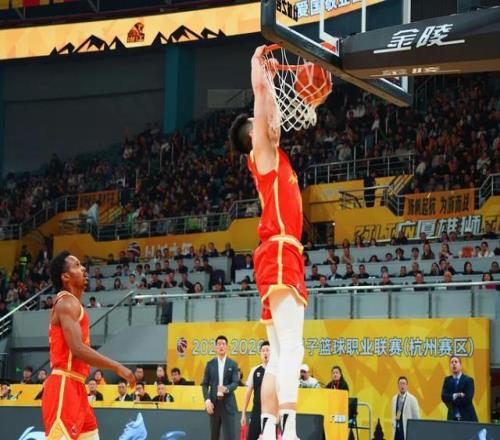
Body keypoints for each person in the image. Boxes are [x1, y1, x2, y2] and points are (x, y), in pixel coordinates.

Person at [229, 45, 317, 440]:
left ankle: (267, 431)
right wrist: (258, 67)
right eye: (260, 120)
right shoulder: (261, 152)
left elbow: (269, 107)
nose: (270, 118)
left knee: (279, 354)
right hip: (281, 251)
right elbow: (263, 96)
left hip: (276, 254)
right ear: (253, 134)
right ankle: (290, 429)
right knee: (293, 349)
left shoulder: (273, 157)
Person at [42, 251, 135, 439]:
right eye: (77, 265)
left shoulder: (74, 305)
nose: (83, 268)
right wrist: (117, 367)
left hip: (78, 387)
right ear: (65, 276)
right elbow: (77, 349)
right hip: (64, 386)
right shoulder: (66, 303)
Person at [201, 335, 239, 440]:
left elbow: (235, 382)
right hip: (214, 405)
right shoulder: (210, 364)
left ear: (227, 347)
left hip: (228, 404)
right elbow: (204, 384)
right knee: (214, 436)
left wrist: (226, 388)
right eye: (219, 344)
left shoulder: (233, 364)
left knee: (230, 437)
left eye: (223, 344)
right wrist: (207, 400)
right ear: (215, 347)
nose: (221, 346)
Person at [241, 341, 271, 440]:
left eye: (267, 350)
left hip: (271, 413)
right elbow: (248, 393)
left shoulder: (276, 371)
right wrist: (243, 413)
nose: (265, 353)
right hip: (256, 412)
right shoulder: (255, 370)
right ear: (260, 354)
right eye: (263, 350)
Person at [441, 356, 478, 422]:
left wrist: (451, 398)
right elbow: (444, 397)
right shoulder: (447, 380)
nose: (454, 364)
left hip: (467, 417)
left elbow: (468, 399)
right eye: (452, 362)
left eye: (456, 362)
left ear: (460, 365)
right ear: (450, 366)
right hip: (452, 417)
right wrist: (457, 395)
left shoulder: (468, 380)